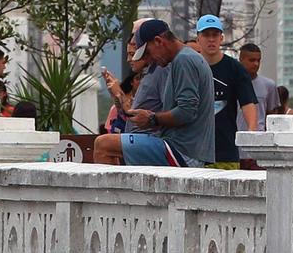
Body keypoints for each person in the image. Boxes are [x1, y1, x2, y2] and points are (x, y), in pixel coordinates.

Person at [90, 19, 212, 167]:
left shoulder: (183, 61)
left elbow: (187, 111)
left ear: (158, 41)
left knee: (103, 145)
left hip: (182, 150)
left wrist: (152, 119)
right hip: (188, 148)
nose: (149, 59)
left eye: (148, 52)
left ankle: (114, 192)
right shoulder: (184, 59)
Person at [194, 15, 260, 169]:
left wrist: (251, 131)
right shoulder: (190, 66)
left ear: (221, 38)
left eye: (215, 35)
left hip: (225, 150)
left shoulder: (235, 68)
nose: (211, 39)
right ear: (198, 39)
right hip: (193, 149)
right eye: (206, 35)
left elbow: (248, 102)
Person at [240, 43, 279, 116]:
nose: (256, 64)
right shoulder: (230, 84)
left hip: (259, 127)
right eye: (252, 60)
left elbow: (272, 114)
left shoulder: (269, 85)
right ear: (241, 59)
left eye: (258, 60)